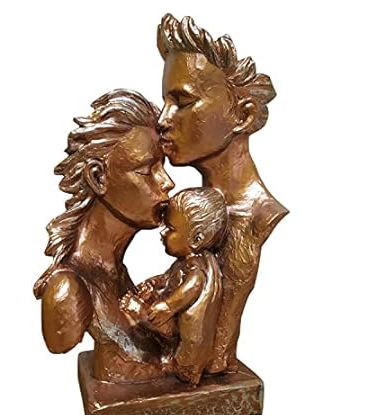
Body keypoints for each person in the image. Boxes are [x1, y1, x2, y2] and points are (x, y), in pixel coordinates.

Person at [157, 14, 289, 373]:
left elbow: (215, 353)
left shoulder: (249, 219)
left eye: (183, 102)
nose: (163, 119)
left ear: (242, 116)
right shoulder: (197, 207)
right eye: (165, 101)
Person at [33, 89, 175, 382]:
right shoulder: (70, 291)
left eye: (162, 166)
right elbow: (60, 339)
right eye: (147, 170)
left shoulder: (116, 274)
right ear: (98, 177)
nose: (168, 182)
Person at [120, 187, 227, 384]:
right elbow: (170, 277)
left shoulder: (197, 267)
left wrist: (169, 306)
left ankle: (141, 313)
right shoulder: (188, 263)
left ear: (196, 239)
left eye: (170, 228)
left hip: (186, 345)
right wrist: (154, 283)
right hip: (182, 337)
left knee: (157, 317)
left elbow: (193, 285)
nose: (163, 233)